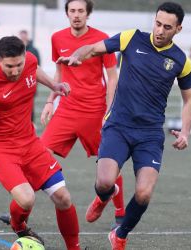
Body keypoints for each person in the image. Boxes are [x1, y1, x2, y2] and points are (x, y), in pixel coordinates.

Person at [57, 2, 191, 249]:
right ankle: (103, 198)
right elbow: (92, 48)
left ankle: (120, 234)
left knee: (143, 193)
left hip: (150, 134)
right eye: (157, 23)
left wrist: (185, 132)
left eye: (167, 27)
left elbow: (189, 100)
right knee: (104, 183)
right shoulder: (131, 38)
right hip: (118, 126)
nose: (160, 30)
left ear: (178, 29)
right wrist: (77, 56)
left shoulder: (180, 60)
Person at [0, 36, 81, 250]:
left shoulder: (29, 61)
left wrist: (54, 85)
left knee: (63, 198)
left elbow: (35, 68)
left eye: (19, 64)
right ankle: (18, 224)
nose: (15, 71)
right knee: (27, 199)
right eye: (9, 66)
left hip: (29, 142)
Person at [43, 0, 126, 227]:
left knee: (110, 161)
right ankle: (21, 212)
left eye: (81, 11)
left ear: (88, 14)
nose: (76, 15)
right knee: (39, 154)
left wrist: (109, 110)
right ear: (67, 13)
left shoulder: (102, 39)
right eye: (72, 11)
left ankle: (120, 213)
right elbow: (59, 71)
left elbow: (112, 77)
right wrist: (51, 100)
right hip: (67, 108)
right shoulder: (57, 38)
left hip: (95, 110)